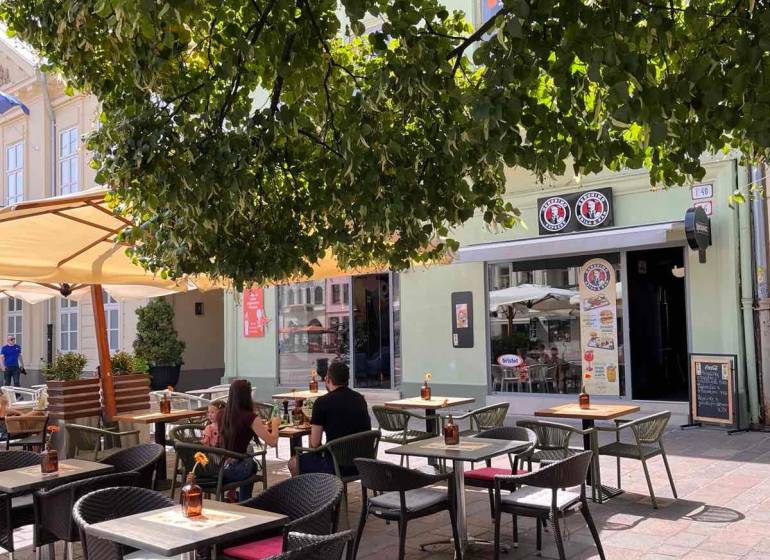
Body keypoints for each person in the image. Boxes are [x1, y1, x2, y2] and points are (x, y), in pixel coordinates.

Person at [288, 361, 371, 476]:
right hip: (363, 463)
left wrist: (314, 421)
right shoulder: (360, 399)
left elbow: (315, 444)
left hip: (336, 465)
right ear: (347, 380)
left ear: (327, 379)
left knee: (294, 463)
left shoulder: (322, 403)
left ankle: (312, 493)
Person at [218, 380, 279, 501]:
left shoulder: (221, 414)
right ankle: (245, 500)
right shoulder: (250, 417)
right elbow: (273, 442)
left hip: (218, 467)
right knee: (252, 465)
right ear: (247, 395)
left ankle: (239, 498)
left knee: (248, 458)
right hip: (234, 469)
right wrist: (276, 425)